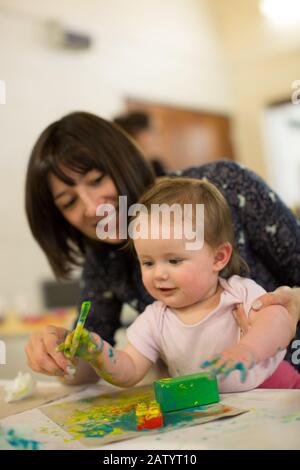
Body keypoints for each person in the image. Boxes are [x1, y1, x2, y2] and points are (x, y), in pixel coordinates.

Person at [24, 111, 300, 385]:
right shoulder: (103, 257)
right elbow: (99, 362)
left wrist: (288, 309)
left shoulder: (226, 186)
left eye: (97, 180)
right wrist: (62, 353)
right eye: (69, 202)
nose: (93, 208)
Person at [60, 177, 300, 390]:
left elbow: (278, 320)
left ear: (218, 258)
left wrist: (248, 349)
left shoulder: (237, 293)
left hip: (276, 389)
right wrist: (100, 354)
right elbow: (130, 369)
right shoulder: (155, 319)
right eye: (148, 263)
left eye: (174, 260)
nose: (159, 274)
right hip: (214, 409)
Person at [113, 111, 165, 176]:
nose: (157, 137)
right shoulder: (125, 169)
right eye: (152, 131)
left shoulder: (155, 165)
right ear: (140, 134)